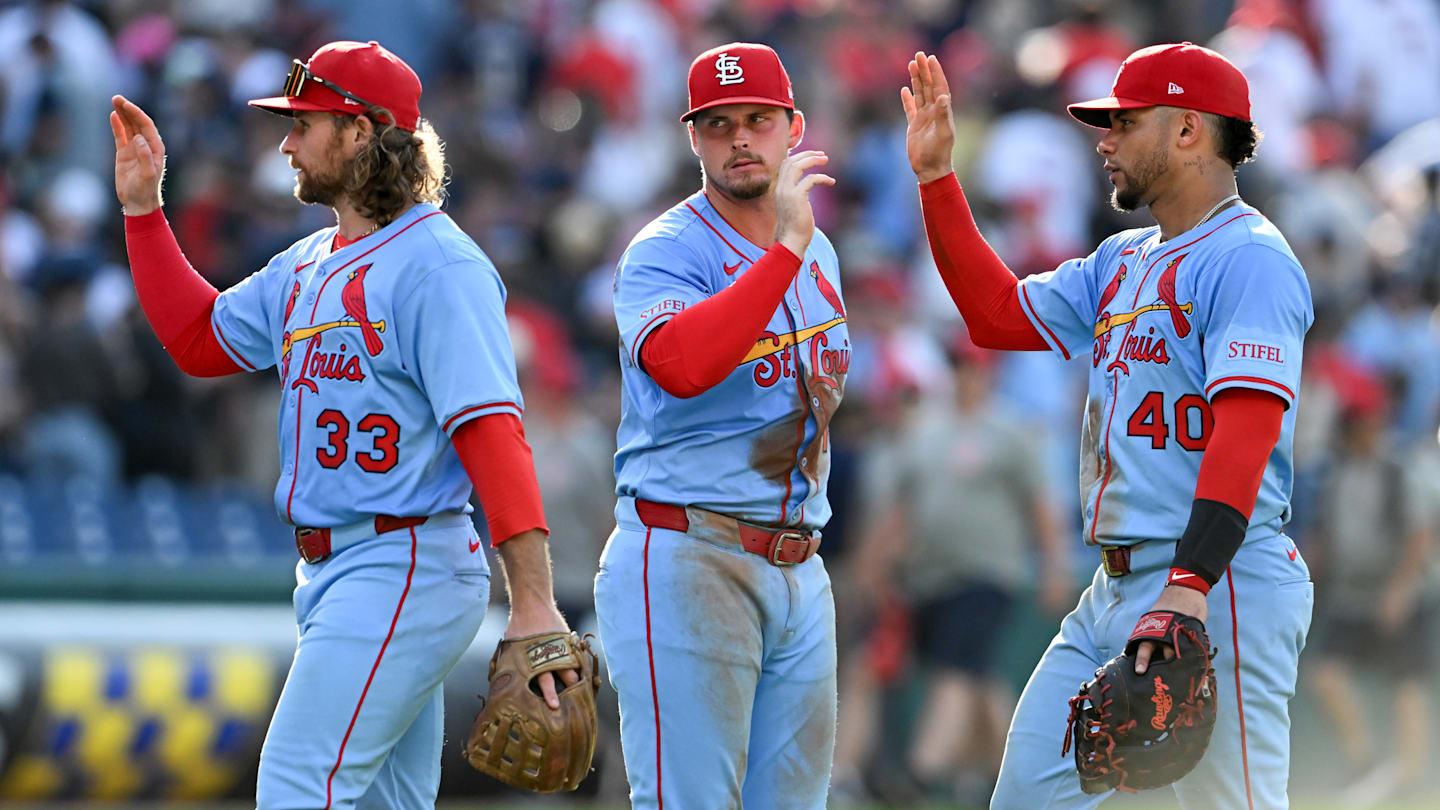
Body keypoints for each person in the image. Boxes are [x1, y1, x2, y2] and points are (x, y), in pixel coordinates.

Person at [110, 40, 578, 809]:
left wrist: (531, 598)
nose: (287, 141)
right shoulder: (306, 262)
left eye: (306, 123)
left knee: (298, 784)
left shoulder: (439, 266)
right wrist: (143, 212)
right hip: (340, 571)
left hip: (402, 561)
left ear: (361, 133)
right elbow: (199, 340)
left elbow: (492, 432)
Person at [902, 42, 1314, 808]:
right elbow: (996, 316)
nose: (1104, 139)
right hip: (1115, 583)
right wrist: (936, 180)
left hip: (1220, 579)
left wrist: (1190, 585)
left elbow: (1247, 432)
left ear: (1189, 130)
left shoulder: (1250, 258)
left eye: (1124, 121)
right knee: (1025, 793)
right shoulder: (1123, 259)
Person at [595, 42, 844, 809]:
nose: (740, 138)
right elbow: (682, 365)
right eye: (718, 123)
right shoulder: (666, 251)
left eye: (758, 119)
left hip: (800, 564)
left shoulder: (821, 249)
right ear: (692, 138)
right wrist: (786, 251)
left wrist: (798, 246)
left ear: (793, 126)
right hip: (688, 552)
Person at [833, 334, 1071, 806]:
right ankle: (1017, 773)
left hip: (988, 572)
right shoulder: (928, 431)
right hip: (926, 576)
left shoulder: (1012, 430)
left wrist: (1055, 568)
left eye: (973, 366)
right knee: (977, 674)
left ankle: (921, 772)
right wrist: (874, 566)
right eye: (958, 365)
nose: (965, 373)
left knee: (955, 669)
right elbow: (900, 509)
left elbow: (1041, 509)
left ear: (989, 372)